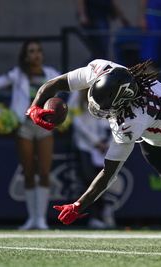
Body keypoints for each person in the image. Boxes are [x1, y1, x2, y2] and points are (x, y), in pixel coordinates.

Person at [26, 59, 161, 246]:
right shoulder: (102, 69)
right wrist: (35, 106)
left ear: (122, 102)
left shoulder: (132, 120)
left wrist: (79, 205)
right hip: (150, 134)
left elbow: (109, 172)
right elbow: (56, 83)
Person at [0, 39, 60, 230]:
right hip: (23, 126)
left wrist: (67, 110)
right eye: (32, 51)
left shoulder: (51, 74)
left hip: (44, 126)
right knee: (28, 172)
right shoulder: (17, 75)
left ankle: (41, 219)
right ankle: (31, 218)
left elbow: (74, 89)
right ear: (25, 56)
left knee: (44, 171)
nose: (36, 54)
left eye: (38, 51)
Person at [68, 89, 116, 229]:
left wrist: (108, 141)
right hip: (85, 146)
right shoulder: (77, 95)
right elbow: (75, 120)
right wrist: (95, 141)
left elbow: (114, 118)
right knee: (89, 180)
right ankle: (94, 216)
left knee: (104, 181)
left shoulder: (108, 90)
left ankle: (105, 213)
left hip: (105, 145)